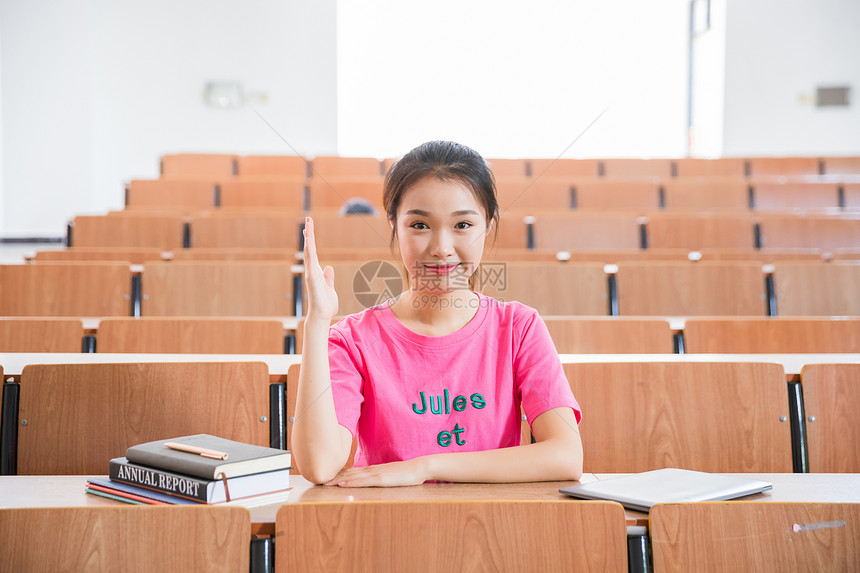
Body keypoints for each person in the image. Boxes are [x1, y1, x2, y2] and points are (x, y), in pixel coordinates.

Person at [293, 141, 582, 487]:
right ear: (394, 225)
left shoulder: (519, 328)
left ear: (487, 226)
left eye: (462, 225)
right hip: (388, 526)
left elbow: (566, 456)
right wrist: (317, 323)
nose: (441, 249)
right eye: (419, 225)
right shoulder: (353, 340)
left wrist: (424, 467)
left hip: (490, 529)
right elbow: (320, 465)